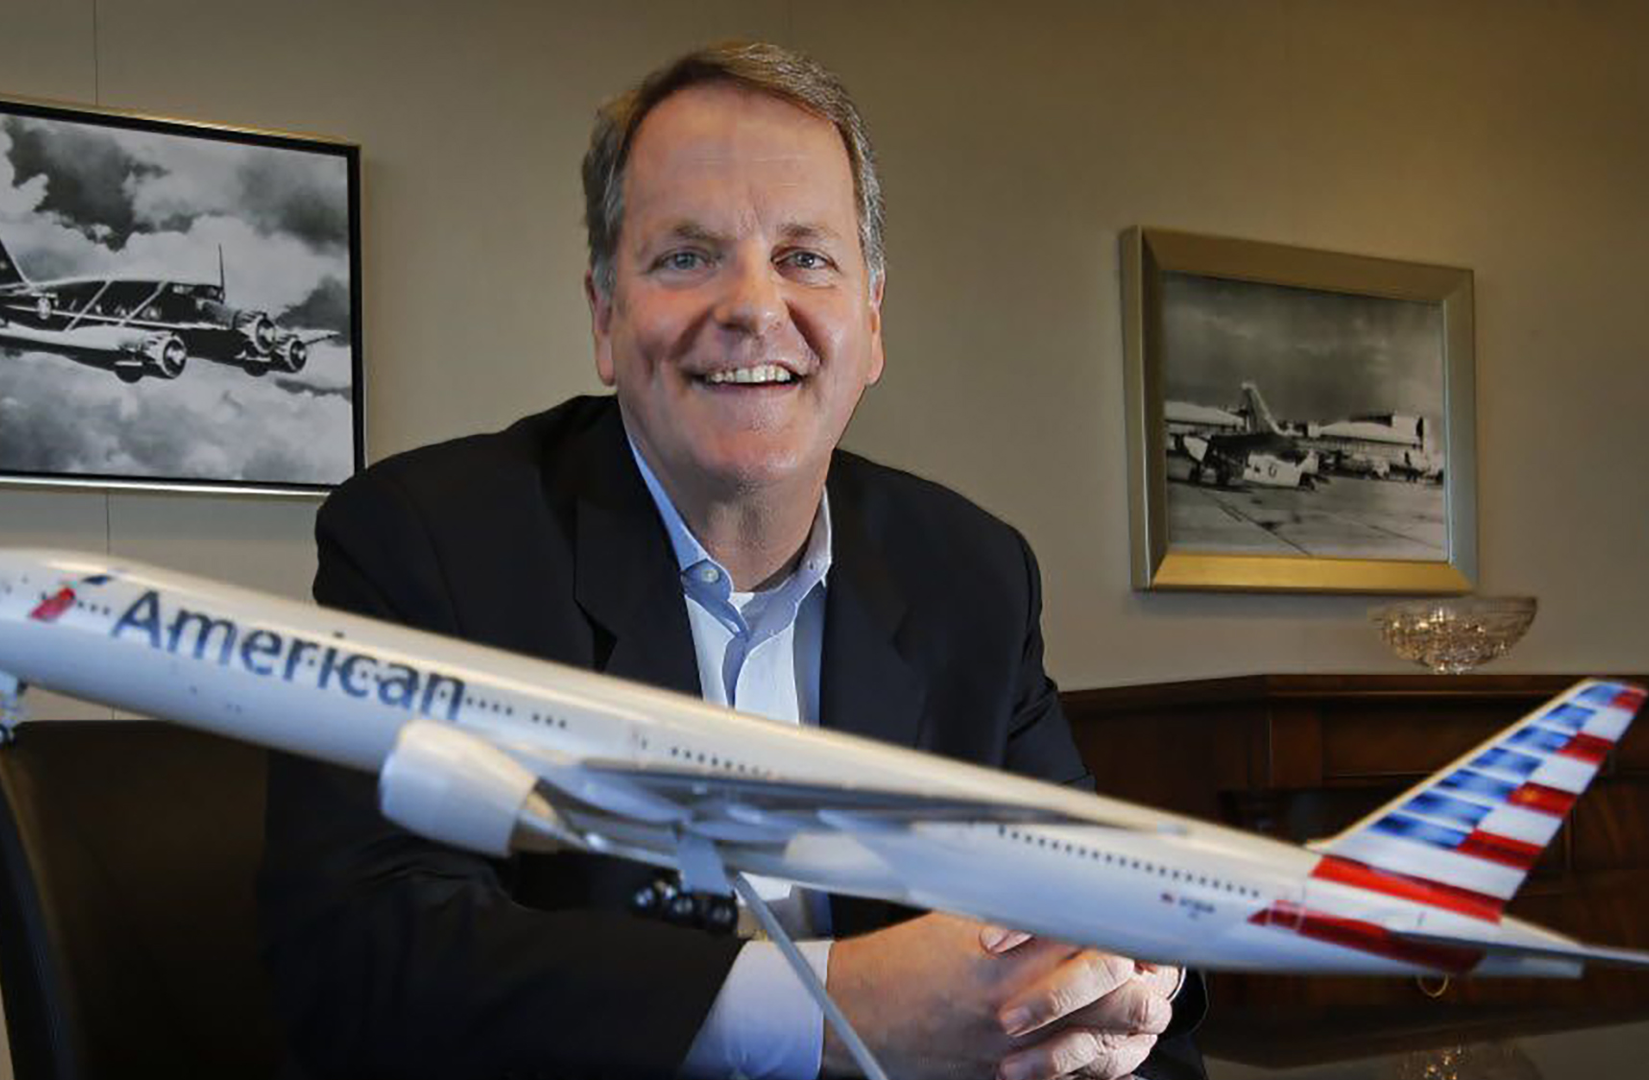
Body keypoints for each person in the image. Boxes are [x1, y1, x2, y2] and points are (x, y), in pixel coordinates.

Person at [259, 41, 1207, 1080]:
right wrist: (836, 1008)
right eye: (686, 256)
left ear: (872, 321)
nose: (754, 307)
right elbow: (363, 967)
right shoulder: (428, 543)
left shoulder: (973, 574)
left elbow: (1096, 905)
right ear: (605, 318)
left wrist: (1119, 981)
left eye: (805, 258)